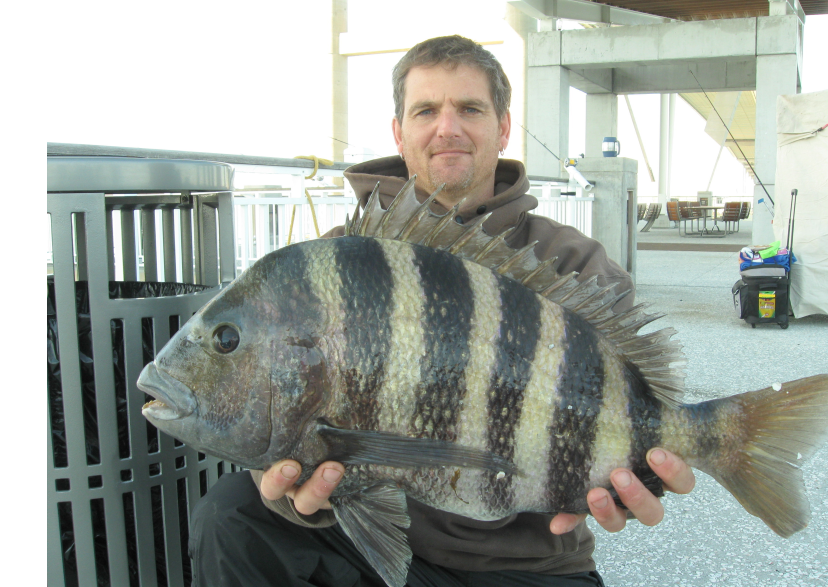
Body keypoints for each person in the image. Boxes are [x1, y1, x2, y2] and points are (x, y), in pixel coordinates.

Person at [190, 35, 695, 586]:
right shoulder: (341, 263)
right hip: (374, 550)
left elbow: (640, 408)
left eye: (470, 109)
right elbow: (311, 444)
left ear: (503, 127)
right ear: (399, 132)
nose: (447, 128)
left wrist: (646, 476)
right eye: (426, 110)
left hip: (527, 567)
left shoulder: (568, 263)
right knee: (231, 515)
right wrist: (297, 493)